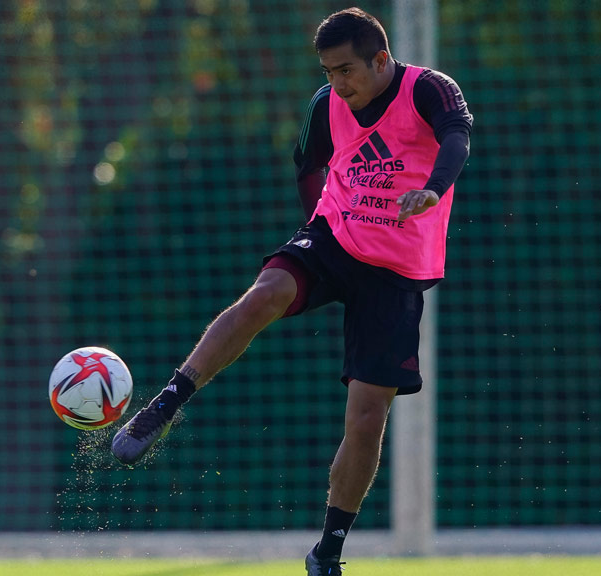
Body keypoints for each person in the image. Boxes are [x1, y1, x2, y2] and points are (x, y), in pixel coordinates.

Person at [112, 7, 472, 575]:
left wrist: (432, 190)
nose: (337, 84)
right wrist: (318, 231)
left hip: (398, 268)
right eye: (328, 72)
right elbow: (308, 165)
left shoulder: (428, 89)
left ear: (381, 59)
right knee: (264, 293)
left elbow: (457, 139)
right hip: (334, 236)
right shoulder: (326, 104)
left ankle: (328, 551)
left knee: (367, 415)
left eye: (347, 70)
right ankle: (167, 403)